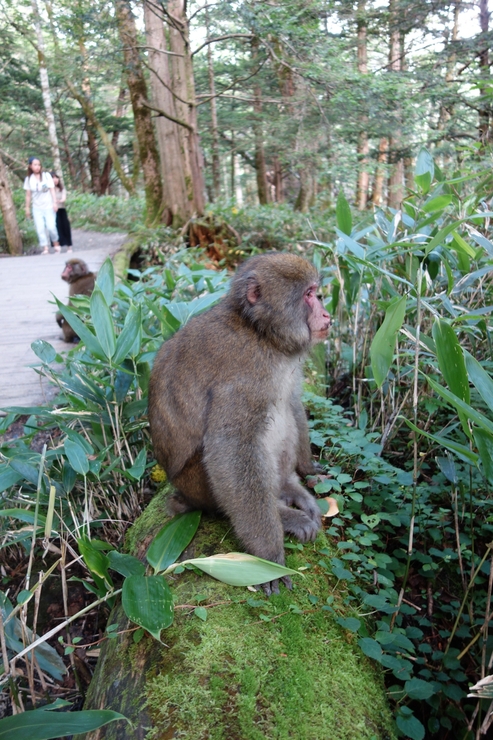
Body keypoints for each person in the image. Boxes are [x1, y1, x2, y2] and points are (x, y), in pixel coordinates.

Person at [24, 157, 60, 255]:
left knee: (51, 226)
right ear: (30, 166)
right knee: (40, 228)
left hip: (48, 206)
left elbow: (52, 189)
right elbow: (28, 195)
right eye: (35, 165)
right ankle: (45, 248)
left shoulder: (46, 176)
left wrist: (55, 203)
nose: (37, 167)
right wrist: (27, 208)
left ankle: (56, 243)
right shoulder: (28, 179)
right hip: (37, 207)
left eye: (38, 165)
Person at [50, 172, 72, 252]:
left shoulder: (62, 188)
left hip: (62, 210)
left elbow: (63, 198)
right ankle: (57, 246)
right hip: (52, 211)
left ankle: (69, 246)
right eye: (53, 178)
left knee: (65, 227)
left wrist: (58, 201)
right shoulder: (49, 190)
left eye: (56, 177)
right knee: (55, 228)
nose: (55, 180)